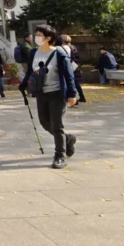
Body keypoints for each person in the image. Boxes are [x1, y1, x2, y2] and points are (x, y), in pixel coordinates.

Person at [19, 24, 77, 169]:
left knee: (56, 125)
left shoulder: (59, 53)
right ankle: (67, 139)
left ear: (48, 38)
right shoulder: (34, 52)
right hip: (41, 93)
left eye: (39, 35)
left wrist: (72, 94)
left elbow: (69, 75)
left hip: (57, 93)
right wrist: (23, 84)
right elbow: (30, 71)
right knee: (45, 123)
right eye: (36, 35)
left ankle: (59, 156)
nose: (36, 38)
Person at [59, 34, 87, 104]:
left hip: (69, 67)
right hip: (75, 67)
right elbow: (77, 58)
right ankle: (81, 97)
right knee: (76, 84)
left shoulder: (62, 48)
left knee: (70, 84)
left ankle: (73, 99)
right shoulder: (73, 47)